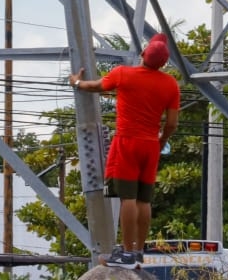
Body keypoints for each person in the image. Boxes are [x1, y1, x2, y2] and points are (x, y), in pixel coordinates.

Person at [69, 33, 180, 270]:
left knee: (126, 198)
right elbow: (171, 124)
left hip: (127, 142)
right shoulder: (170, 84)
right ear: (164, 63)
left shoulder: (123, 74)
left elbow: (97, 86)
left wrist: (76, 82)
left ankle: (127, 253)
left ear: (142, 54)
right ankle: (138, 251)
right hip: (151, 145)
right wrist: (162, 141)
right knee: (143, 199)